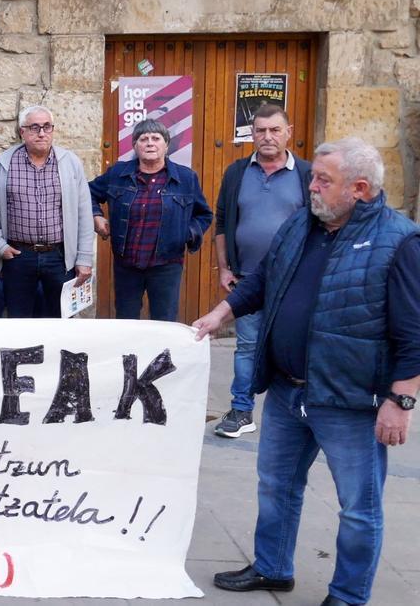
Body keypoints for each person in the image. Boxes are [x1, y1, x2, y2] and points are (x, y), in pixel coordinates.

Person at [193, 137, 420, 606]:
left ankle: (348, 595)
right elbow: (262, 279)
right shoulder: (303, 223)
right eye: (313, 175)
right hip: (286, 390)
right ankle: (273, 568)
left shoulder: (399, 240)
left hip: (350, 401)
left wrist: (401, 402)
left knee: (359, 508)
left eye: (322, 180)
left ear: (359, 188)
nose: (310, 185)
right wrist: (220, 314)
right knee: (276, 485)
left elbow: (414, 331)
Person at [213, 104, 314, 439]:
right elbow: (224, 223)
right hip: (247, 280)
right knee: (246, 346)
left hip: (295, 283)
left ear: (289, 132)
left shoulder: (306, 174)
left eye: (274, 130)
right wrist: (224, 268)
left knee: (297, 344)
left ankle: (300, 408)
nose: (267, 137)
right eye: (260, 130)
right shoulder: (237, 172)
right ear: (252, 134)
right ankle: (241, 411)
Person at [89, 119, 212, 321]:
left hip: (167, 264)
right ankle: (129, 353)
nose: (149, 143)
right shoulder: (118, 173)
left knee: (164, 322)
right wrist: (96, 216)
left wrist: (185, 234)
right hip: (126, 264)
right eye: (143, 139)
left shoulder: (186, 178)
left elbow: (204, 214)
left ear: (166, 145)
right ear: (135, 145)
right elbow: (88, 192)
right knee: (126, 321)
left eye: (156, 138)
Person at [0, 105, 94, 317]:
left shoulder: (70, 163)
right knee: (19, 319)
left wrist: (84, 259)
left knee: (61, 318)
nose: (42, 133)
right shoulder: (4, 163)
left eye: (46, 127)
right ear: (22, 131)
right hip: (17, 255)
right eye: (34, 127)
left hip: (59, 257)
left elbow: (84, 214)